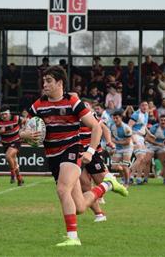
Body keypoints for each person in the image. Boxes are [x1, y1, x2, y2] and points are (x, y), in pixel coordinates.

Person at [20, 66, 127, 247]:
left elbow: (97, 127)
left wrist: (90, 151)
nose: (44, 84)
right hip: (52, 156)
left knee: (62, 190)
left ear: (60, 83)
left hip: (71, 151)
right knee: (79, 207)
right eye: (43, 81)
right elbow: (23, 128)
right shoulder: (38, 105)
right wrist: (26, 135)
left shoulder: (73, 102)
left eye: (48, 81)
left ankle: (72, 237)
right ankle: (107, 185)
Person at [0, 105, 24, 186]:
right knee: (14, 160)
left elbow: (26, 121)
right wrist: (0, 131)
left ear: (9, 113)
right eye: (2, 114)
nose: (4, 116)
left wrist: (24, 131)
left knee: (8, 156)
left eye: (5, 114)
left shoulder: (16, 118)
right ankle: (19, 178)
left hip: (16, 141)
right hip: (5, 143)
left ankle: (12, 174)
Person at [128, 101, 150, 185]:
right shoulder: (136, 114)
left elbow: (144, 126)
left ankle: (137, 178)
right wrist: (132, 138)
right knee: (140, 157)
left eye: (146, 105)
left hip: (141, 137)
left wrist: (150, 134)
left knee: (143, 159)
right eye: (143, 105)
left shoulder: (146, 114)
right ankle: (129, 175)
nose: (145, 106)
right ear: (140, 106)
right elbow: (129, 126)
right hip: (135, 136)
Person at [110, 110, 134, 186]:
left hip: (127, 148)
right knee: (114, 167)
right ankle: (124, 177)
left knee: (124, 165)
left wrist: (116, 142)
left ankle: (127, 183)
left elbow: (127, 142)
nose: (115, 120)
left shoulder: (126, 128)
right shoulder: (112, 126)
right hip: (118, 148)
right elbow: (111, 138)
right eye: (114, 118)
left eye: (117, 118)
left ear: (121, 118)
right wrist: (113, 146)